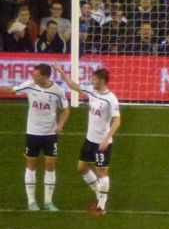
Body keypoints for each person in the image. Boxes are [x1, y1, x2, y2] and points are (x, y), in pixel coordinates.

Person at [0, 64, 69, 211]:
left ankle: (48, 201)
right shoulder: (30, 85)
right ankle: (31, 201)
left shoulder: (58, 91)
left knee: (50, 166)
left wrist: (61, 124)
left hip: (50, 134)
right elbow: (11, 89)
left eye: (37, 75)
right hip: (33, 133)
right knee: (31, 166)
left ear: (46, 76)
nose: (34, 77)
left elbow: (66, 109)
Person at [55, 65, 121, 215]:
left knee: (102, 172)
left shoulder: (111, 99)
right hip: (89, 140)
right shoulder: (92, 90)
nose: (92, 81)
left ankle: (102, 206)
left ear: (103, 81)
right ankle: (100, 194)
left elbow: (117, 121)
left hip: (102, 143)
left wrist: (106, 139)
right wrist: (62, 73)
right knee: (81, 168)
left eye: (95, 79)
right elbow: (74, 86)